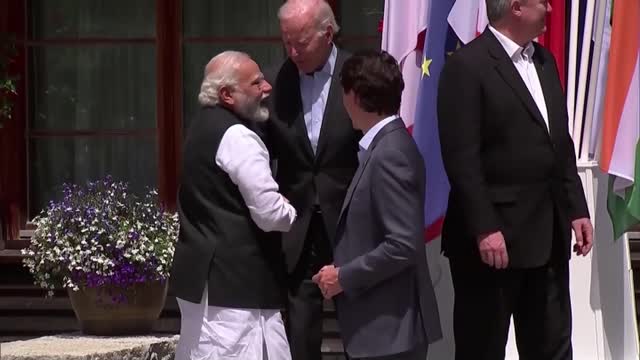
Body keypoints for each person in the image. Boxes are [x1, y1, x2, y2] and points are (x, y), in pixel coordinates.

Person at [437, 1, 594, 359]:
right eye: (543, 2)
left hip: (548, 237)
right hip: (493, 245)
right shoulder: (467, 66)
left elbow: (559, 144)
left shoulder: (545, 61)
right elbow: (462, 159)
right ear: (517, 7)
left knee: (552, 348)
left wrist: (576, 208)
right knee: (483, 347)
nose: (551, 10)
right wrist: (485, 228)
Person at [312, 50, 442, 360]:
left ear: (354, 97)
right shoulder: (384, 147)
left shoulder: (390, 154)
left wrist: (342, 276)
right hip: (382, 328)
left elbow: (401, 245)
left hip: (390, 330)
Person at [169, 51, 297, 360]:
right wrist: (290, 209)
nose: (266, 88)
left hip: (207, 284)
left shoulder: (200, 127)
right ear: (226, 94)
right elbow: (269, 213)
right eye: (255, 83)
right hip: (236, 293)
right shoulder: (239, 136)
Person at [264, 1, 361, 359]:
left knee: (361, 329)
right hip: (297, 224)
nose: (292, 52)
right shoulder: (274, 81)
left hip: (351, 221)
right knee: (300, 336)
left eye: (300, 42)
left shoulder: (359, 73)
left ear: (328, 33)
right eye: (286, 42)